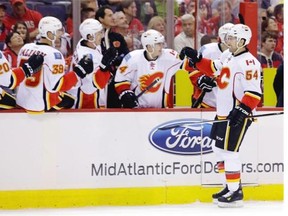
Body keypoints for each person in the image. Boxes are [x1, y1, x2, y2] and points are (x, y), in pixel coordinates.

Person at [180, 24, 262, 207]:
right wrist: (196, 58)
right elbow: (212, 68)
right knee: (218, 150)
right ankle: (228, 186)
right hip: (223, 112)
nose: (227, 40)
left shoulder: (249, 62)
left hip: (238, 114)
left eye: (231, 38)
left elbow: (254, 93)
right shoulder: (228, 55)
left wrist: (241, 111)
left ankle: (235, 191)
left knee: (230, 152)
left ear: (242, 41)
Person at [16, 16, 94, 113]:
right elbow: (57, 86)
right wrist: (78, 72)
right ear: (49, 34)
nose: (61, 34)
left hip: (22, 101)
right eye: (58, 31)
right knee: (71, 99)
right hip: (39, 106)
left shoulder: (25, 47)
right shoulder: (54, 54)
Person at [114, 29, 189, 108]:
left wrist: (189, 56)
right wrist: (125, 93)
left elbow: (186, 64)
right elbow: (121, 79)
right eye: (158, 44)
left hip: (163, 111)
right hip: (136, 111)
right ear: (148, 46)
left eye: (161, 43)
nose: (161, 46)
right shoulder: (132, 58)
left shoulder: (169, 56)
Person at [68, 18, 117, 109]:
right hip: (86, 100)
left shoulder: (85, 43)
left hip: (85, 94)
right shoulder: (87, 57)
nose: (102, 36)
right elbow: (91, 87)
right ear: (90, 37)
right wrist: (104, 67)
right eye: (99, 33)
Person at [189, 23, 234, 108]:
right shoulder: (207, 50)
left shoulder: (240, 55)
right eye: (229, 37)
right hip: (205, 102)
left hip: (229, 105)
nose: (231, 40)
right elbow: (191, 67)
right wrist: (199, 80)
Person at [96, 5, 130, 108]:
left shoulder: (117, 37)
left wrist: (117, 59)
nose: (113, 18)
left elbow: (127, 56)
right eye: (109, 15)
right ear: (101, 19)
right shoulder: (95, 38)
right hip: (98, 80)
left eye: (113, 15)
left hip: (115, 80)